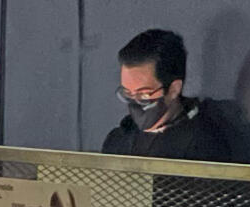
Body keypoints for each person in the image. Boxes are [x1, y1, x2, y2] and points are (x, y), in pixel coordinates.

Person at [99, 28, 234, 164]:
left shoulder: (203, 146)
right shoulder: (119, 140)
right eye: (127, 94)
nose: (135, 103)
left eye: (144, 94)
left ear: (174, 89)